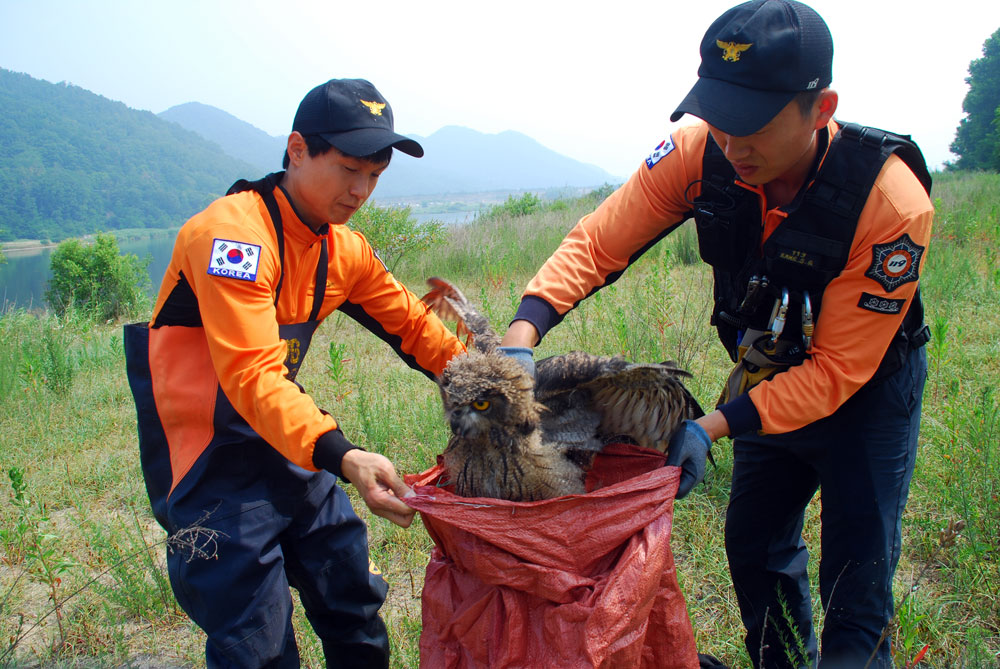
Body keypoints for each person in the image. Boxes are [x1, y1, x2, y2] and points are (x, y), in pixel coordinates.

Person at [499, 1, 933, 666]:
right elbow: (599, 240)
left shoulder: (890, 202)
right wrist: (523, 333)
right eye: (720, 118)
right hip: (764, 376)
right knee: (755, 547)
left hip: (866, 395)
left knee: (858, 583)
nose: (733, 145)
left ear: (820, 109)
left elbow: (838, 370)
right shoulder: (700, 153)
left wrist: (712, 425)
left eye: (753, 124)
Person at [124, 78, 465, 668]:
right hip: (209, 461)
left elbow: (415, 328)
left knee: (353, 600)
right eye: (349, 169)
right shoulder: (232, 236)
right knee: (257, 645)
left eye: (376, 176)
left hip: (289, 445)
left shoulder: (343, 249)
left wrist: (491, 383)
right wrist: (346, 455)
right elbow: (254, 376)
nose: (361, 191)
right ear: (298, 148)